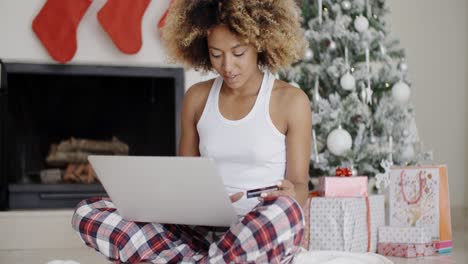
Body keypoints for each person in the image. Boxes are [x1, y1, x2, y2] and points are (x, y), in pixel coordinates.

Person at [72, 0, 311, 263]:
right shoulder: (197, 98)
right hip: (198, 231)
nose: (227, 66)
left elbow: (299, 186)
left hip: (258, 226)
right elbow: (184, 180)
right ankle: (214, 259)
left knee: (285, 212)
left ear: (260, 43)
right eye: (216, 54)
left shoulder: (291, 101)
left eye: (238, 53)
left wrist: (290, 195)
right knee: (90, 212)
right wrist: (196, 203)